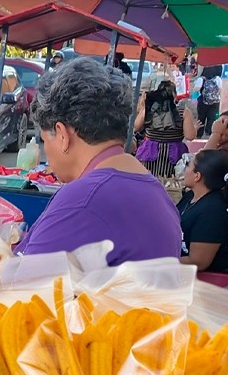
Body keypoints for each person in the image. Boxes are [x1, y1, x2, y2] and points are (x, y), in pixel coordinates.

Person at [17, 57, 181, 266]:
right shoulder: (154, 190)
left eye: (43, 139)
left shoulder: (83, 199)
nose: (45, 150)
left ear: (61, 134)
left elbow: (21, 289)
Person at [177, 149, 228, 275]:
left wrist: (159, 261)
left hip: (214, 282)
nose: (185, 169)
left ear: (197, 176)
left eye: (188, 165)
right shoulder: (191, 196)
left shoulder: (211, 211)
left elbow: (198, 262)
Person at [134, 79, 197, 179]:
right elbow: (190, 136)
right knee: (170, 184)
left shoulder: (149, 110)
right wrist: (194, 128)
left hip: (150, 151)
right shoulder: (184, 112)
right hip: (173, 154)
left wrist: (142, 108)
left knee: (149, 180)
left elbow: (136, 127)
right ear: (175, 95)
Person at [196, 66, 223, 138]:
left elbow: (197, 89)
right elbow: (220, 90)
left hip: (203, 101)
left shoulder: (201, 78)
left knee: (201, 117)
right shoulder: (218, 79)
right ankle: (210, 133)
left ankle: (199, 134)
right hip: (215, 102)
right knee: (212, 118)